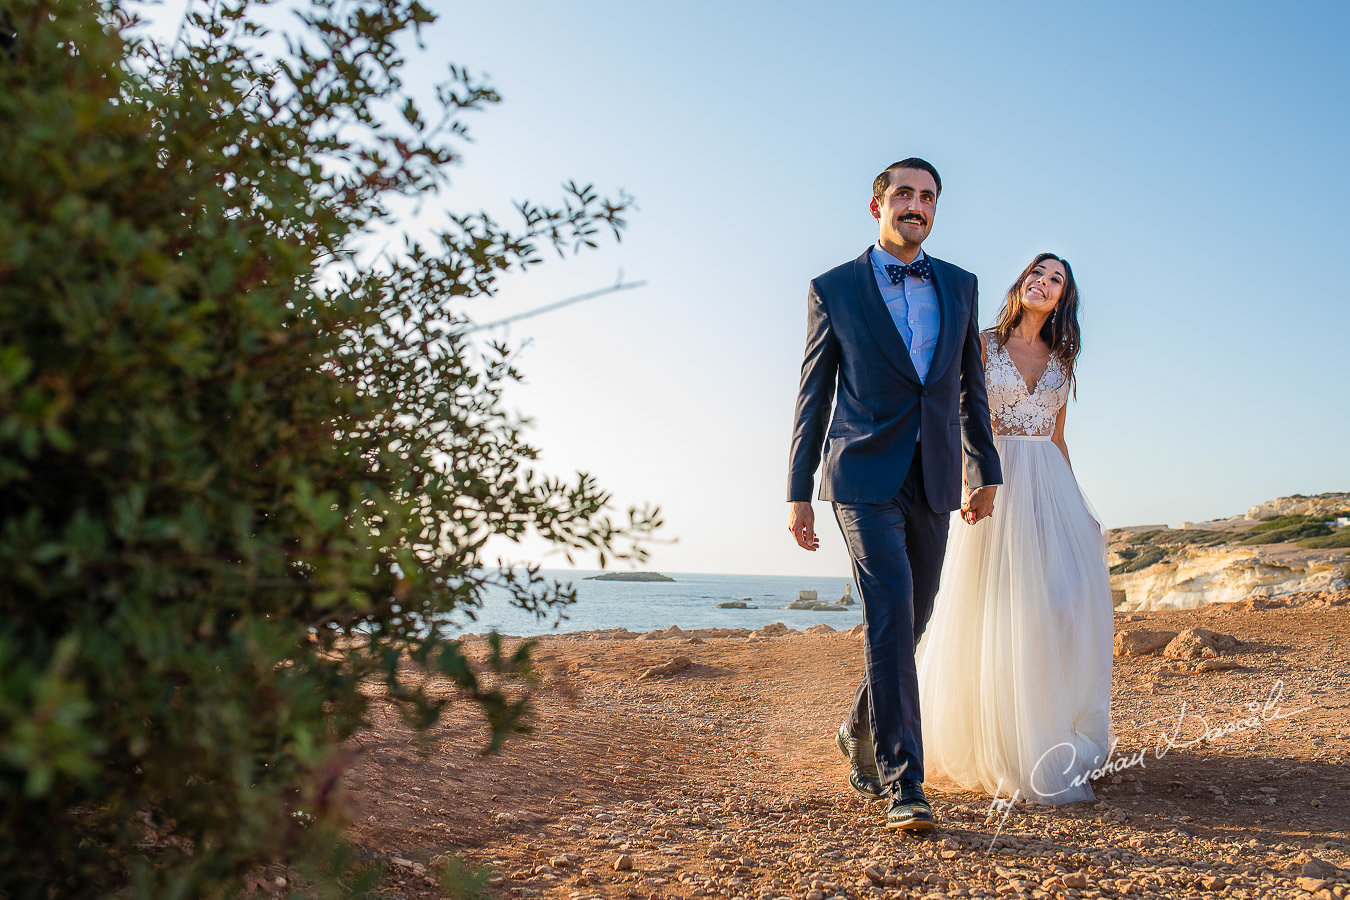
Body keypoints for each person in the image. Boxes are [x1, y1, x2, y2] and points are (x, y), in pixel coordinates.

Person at [787, 158, 1003, 831]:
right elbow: (813, 394)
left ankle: (859, 723)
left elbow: (970, 388)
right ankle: (903, 780)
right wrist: (797, 491)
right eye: (904, 194)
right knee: (889, 609)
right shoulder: (834, 288)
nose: (917, 205)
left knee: (916, 618)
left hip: (934, 476)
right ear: (876, 204)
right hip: (860, 477)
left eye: (928, 197)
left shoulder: (961, 286)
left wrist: (982, 468)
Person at [915, 253, 1113, 804]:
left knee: (1065, 601)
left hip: (1049, 486)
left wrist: (1082, 506)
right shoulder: (981, 344)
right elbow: (956, 415)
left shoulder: (1062, 358)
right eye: (1038, 273)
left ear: (1063, 298)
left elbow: (1057, 436)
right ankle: (994, 737)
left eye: (1057, 281)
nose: (1044, 284)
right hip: (991, 481)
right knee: (989, 608)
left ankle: (1043, 730)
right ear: (1021, 281)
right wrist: (966, 480)